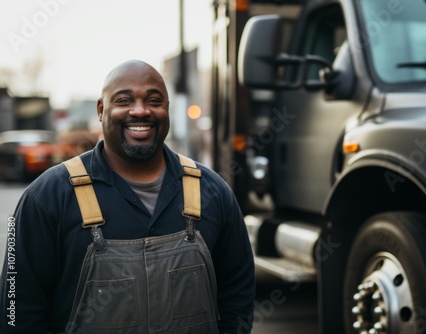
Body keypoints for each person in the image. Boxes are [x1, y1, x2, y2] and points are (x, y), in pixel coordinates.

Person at [0, 60, 255, 333]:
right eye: (124, 100)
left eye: (154, 100)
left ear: (167, 108)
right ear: (101, 110)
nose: (140, 110)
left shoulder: (214, 192)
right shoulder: (45, 197)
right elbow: (16, 309)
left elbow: (237, 295)